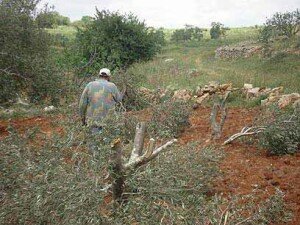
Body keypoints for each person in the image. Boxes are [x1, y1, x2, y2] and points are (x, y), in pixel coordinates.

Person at [79, 68, 123, 135]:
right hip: (108, 122)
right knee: (108, 143)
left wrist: (83, 119)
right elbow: (119, 100)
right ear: (108, 77)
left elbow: (82, 104)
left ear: (99, 75)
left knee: (94, 142)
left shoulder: (89, 85)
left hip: (93, 121)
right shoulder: (112, 86)